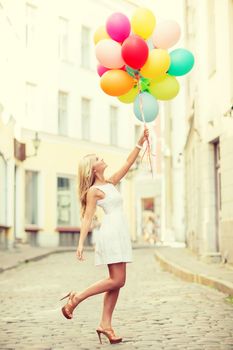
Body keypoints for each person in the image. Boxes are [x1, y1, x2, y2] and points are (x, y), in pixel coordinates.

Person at [60, 127, 149, 344]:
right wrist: (80, 244)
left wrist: (140, 141)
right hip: (109, 233)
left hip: (119, 232)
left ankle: (105, 325)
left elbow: (128, 163)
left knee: (118, 282)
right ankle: (76, 298)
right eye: (98, 158)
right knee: (117, 279)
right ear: (93, 169)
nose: (102, 158)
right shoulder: (94, 192)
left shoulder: (109, 183)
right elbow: (87, 218)